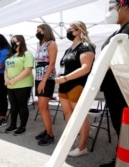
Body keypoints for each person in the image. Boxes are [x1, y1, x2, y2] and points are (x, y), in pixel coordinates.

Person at [55, 21, 95, 157]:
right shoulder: (69, 49)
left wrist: (65, 78)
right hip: (63, 86)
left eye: (71, 29)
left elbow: (85, 68)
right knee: (68, 114)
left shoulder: (86, 47)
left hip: (76, 85)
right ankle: (72, 138)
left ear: (79, 31)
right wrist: (60, 75)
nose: (68, 31)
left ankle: (82, 146)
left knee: (79, 116)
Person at [99, 1, 129, 166]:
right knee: (121, 127)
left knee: (125, 127)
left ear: (124, 5)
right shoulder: (120, 31)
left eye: (113, 7)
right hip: (115, 88)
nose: (110, 12)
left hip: (123, 89)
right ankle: (121, 157)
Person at [4, 35, 34, 135]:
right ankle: (13, 125)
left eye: (15, 41)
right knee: (13, 106)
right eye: (12, 41)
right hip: (10, 85)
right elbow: (6, 69)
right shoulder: (11, 55)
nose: (13, 43)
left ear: (21, 42)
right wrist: (6, 79)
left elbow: (28, 69)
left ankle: (22, 126)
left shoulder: (27, 54)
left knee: (22, 106)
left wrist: (14, 80)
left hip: (23, 85)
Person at [34, 23, 58, 146]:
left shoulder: (51, 44)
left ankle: (50, 135)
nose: (38, 33)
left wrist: (43, 81)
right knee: (42, 107)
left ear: (46, 31)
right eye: (37, 31)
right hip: (39, 77)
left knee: (43, 107)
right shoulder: (40, 45)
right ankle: (47, 130)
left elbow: (52, 63)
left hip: (47, 79)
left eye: (40, 31)